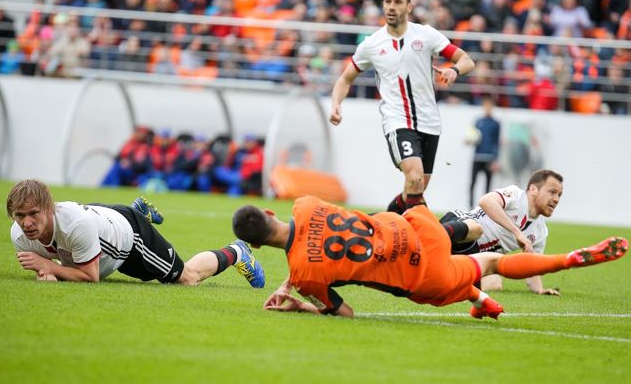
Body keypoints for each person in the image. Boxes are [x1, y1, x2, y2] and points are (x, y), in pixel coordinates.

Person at [231, 195, 627, 318]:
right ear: (269, 212)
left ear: (258, 246)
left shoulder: (305, 273)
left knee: (485, 264)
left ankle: (563, 260)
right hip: (413, 227)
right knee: (464, 243)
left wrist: (300, 302)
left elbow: (345, 312)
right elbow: (315, 231)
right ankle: (481, 292)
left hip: (417, 275)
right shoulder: (304, 203)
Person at [329, 0, 475, 215]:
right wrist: (336, 104)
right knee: (414, 177)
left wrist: (454, 70)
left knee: (416, 188)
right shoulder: (371, 44)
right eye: (387, 1)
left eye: (397, 2)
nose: (391, 7)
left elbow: (466, 60)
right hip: (397, 120)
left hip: (429, 121)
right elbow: (344, 79)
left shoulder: (426, 35)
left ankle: (382, 221)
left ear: (409, 7)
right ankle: (417, 230)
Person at [7, 179, 265, 288]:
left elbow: (90, 276)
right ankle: (136, 211)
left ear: (49, 208)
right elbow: (56, 268)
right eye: (20, 216)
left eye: (33, 214)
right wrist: (47, 272)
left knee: (187, 278)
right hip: (102, 222)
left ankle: (236, 252)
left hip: (128, 238)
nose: (26, 223)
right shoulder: (19, 235)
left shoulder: (75, 225)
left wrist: (48, 267)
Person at [439, 169, 565, 295]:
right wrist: (517, 233)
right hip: (459, 227)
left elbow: (532, 265)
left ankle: (449, 277)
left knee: (494, 284)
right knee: (476, 229)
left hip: (476, 254)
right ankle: (433, 237)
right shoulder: (516, 195)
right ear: (533, 189)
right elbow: (485, 201)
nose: (556, 199)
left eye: (559, 195)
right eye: (552, 192)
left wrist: (540, 290)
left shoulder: (540, 231)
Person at [468, 97, 500, 208]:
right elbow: (473, 137)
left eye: (489, 106)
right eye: (486, 106)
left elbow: (496, 142)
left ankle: (485, 208)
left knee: (488, 185)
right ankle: (470, 207)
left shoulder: (495, 124)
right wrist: (469, 141)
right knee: (472, 183)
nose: (488, 108)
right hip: (477, 157)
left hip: (489, 158)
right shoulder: (478, 122)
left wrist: (495, 159)